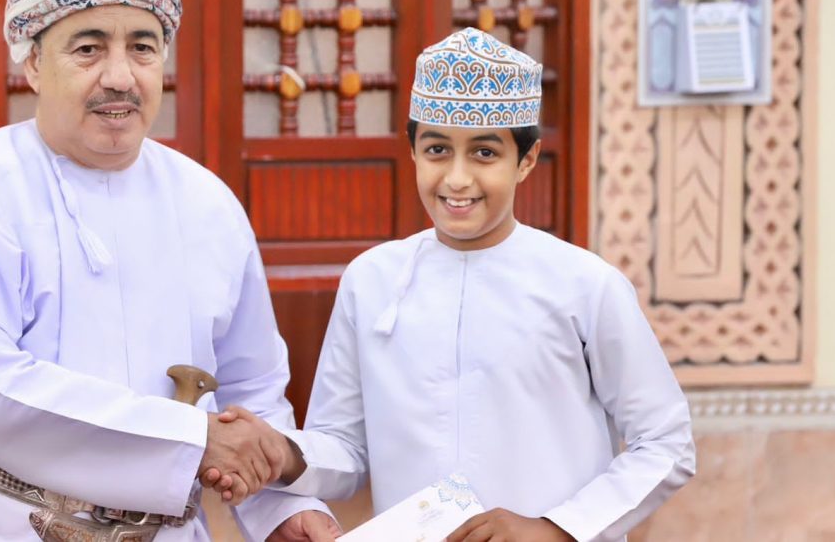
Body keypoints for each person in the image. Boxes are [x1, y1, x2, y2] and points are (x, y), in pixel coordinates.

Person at [0, 0, 339, 540]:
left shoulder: (207, 202)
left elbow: (251, 389)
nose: (121, 77)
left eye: (142, 48)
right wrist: (189, 440)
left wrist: (280, 509)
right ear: (33, 62)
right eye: (88, 48)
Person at [207, 27, 697, 541]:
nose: (457, 179)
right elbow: (346, 447)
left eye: (484, 153)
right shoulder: (371, 280)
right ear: (413, 151)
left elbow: (665, 442)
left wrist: (555, 529)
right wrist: (282, 452)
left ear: (526, 160)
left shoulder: (585, 285)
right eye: (438, 149)